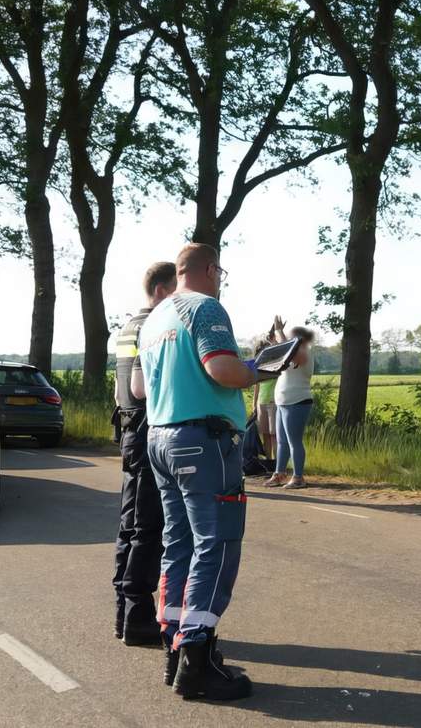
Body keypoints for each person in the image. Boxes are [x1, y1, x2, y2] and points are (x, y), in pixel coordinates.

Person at [131, 243, 272, 701]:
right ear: (210, 270)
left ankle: (174, 645)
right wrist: (261, 370)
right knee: (217, 542)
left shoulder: (155, 318)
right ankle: (197, 657)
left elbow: (139, 388)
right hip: (204, 441)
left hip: (160, 438)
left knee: (179, 542)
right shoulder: (205, 307)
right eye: (220, 271)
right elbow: (223, 370)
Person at [111, 262, 177, 646]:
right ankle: (137, 616)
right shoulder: (153, 326)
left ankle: (124, 612)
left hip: (128, 429)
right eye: (174, 291)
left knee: (130, 526)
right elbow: (142, 388)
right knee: (148, 528)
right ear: (161, 291)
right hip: (147, 426)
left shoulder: (127, 326)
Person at [265, 326, 316, 489]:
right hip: (283, 402)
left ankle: (298, 477)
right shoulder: (292, 352)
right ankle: (279, 473)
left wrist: (280, 332)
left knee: (294, 442)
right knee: (282, 442)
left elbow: (292, 353)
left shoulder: (304, 351)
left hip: (297, 401)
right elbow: (279, 357)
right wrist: (274, 342)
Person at [250, 340, 277, 460]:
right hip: (261, 403)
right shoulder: (258, 366)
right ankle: (269, 462)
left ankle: (278, 464)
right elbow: (257, 385)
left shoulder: (276, 364)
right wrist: (254, 403)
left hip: (274, 402)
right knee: (265, 435)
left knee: (274, 435)